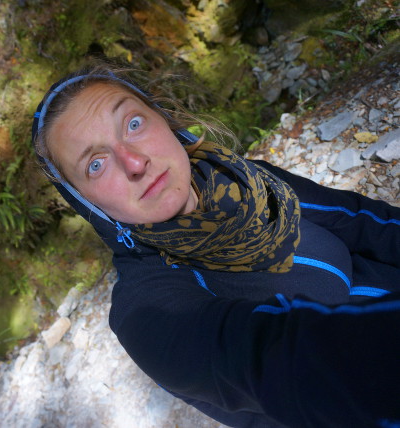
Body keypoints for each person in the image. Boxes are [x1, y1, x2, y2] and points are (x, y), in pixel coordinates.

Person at [31, 62, 400, 428]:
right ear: (87, 204)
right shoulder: (145, 313)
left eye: (133, 123)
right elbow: (283, 358)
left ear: (164, 120)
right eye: (96, 164)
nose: (134, 162)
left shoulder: (249, 181)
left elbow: (363, 221)